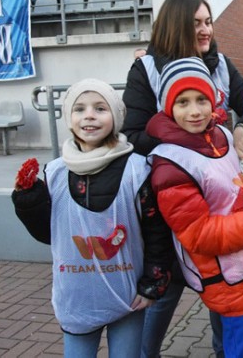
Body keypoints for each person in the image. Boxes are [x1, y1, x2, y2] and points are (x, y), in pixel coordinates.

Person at [121, 0, 243, 358]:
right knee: (167, 288)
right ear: (176, 26)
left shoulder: (219, 62)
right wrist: (186, 140)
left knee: (226, 288)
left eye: (208, 22)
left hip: (220, 197)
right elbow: (133, 135)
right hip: (172, 198)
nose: (206, 30)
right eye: (197, 24)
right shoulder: (147, 68)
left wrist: (242, 128)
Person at [146, 57, 243, 357]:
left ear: (214, 99)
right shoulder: (170, 165)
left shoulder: (223, 136)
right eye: (182, 102)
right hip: (231, 280)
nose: (194, 111)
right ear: (167, 107)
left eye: (201, 100)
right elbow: (200, 235)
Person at [11, 78, 173, 357]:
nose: (89, 115)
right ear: (69, 118)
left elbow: (156, 231)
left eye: (100, 108)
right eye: (80, 109)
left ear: (116, 115)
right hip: (77, 299)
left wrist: (153, 284)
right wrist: (29, 204)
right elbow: (49, 234)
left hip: (127, 296)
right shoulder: (55, 172)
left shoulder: (138, 169)